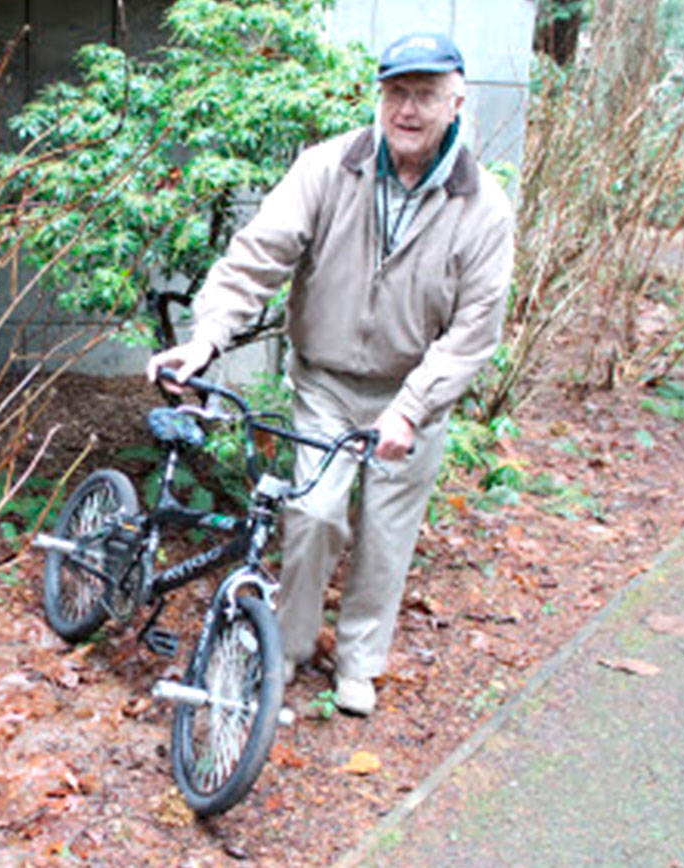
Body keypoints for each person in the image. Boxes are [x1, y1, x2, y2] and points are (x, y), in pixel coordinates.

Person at [146, 32, 514, 716]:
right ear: (379, 97)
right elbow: (257, 256)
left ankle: (359, 663)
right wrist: (207, 339)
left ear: (456, 101)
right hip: (326, 379)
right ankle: (287, 647)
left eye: (426, 95)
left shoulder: (482, 206)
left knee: (386, 531)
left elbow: (473, 333)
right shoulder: (329, 167)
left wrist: (411, 409)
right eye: (397, 92)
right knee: (314, 513)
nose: (408, 108)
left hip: (412, 395)